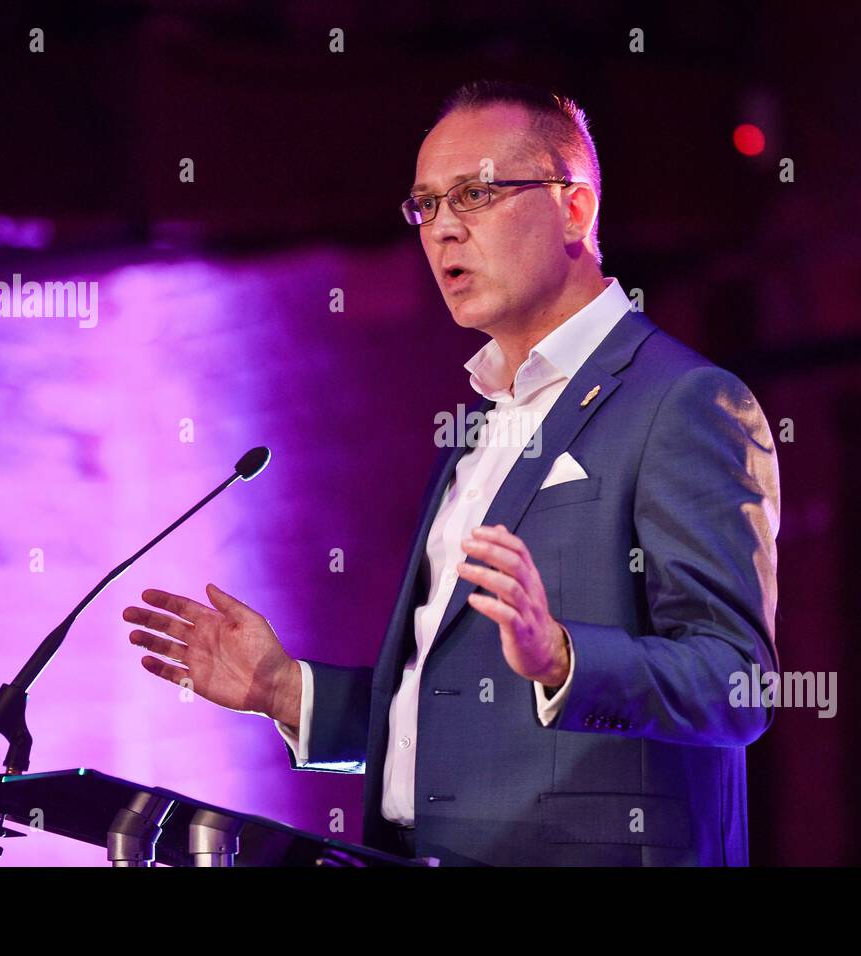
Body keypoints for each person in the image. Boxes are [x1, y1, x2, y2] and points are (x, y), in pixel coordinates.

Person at [123, 79, 781, 866]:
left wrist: (567, 658)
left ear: (575, 209)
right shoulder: (480, 425)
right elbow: (456, 716)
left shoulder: (683, 402)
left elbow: (738, 682)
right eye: (426, 206)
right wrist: (286, 692)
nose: (442, 231)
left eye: (476, 194)